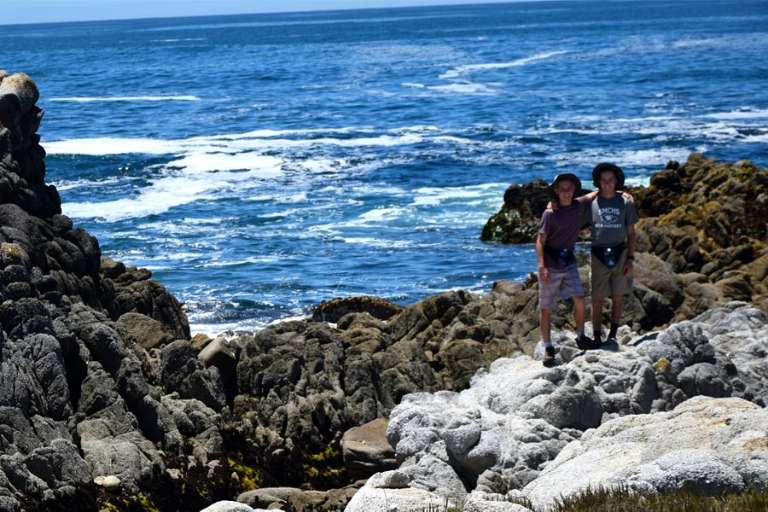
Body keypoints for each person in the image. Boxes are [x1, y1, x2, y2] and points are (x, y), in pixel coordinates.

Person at [536, 173, 600, 366]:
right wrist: (541, 266)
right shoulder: (550, 214)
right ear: (556, 191)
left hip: (569, 261)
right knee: (546, 307)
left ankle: (580, 336)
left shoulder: (577, 205)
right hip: (550, 263)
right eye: (562, 189)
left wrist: (621, 192)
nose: (566, 193)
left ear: (574, 190)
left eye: (569, 189)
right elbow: (540, 241)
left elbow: (593, 195)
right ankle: (548, 347)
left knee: (579, 298)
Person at [588, 162, 638, 344]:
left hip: (621, 252)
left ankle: (613, 334)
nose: (607, 183)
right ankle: (595, 336)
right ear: (598, 182)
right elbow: (572, 206)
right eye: (604, 180)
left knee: (618, 295)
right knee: (597, 298)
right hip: (597, 254)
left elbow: (632, 233)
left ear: (616, 181)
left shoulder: (626, 202)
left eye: (611, 180)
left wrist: (630, 259)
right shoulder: (591, 202)